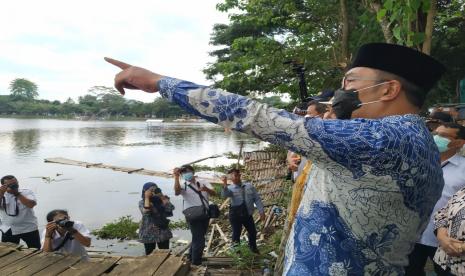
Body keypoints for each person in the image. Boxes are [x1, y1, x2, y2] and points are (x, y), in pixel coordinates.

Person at [105, 42, 446, 274]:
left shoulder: (380, 138)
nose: (341, 93)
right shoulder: (418, 139)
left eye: (351, 82)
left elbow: (256, 116)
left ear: (388, 90)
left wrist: (158, 82)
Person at [405, 122, 465, 275]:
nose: (436, 138)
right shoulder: (417, 162)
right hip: (411, 236)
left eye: (443, 136)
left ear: (459, 142)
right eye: (435, 133)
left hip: (445, 240)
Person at [173, 165, 216, 266]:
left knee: (198, 237)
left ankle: (191, 257)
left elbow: (214, 193)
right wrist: (176, 177)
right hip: (193, 216)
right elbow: (176, 192)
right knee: (199, 239)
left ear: (193, 171)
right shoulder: (183, 184)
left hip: (205, 214)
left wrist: (206, 189)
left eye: (187, 171)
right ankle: (196, 263)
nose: (186, 174)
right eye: (183, 173)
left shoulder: (203, 181)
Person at [221, 168, 265, 253]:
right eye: (231, 176)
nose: (234, 177)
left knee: (252, 232)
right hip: (235, 215)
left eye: (235, 175)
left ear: (239, 175)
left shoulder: (249, 186)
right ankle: (237, 253)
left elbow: (257, 199)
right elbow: (224, 195)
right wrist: (224, 184)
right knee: (236, 234)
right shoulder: (230, 188)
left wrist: (261, 211)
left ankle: (253, 248)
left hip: (247, 214)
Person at [0, 175, 40, 249]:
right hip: (9, 229)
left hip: (29, 227)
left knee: (35, 249)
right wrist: (1, 193)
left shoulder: (26, 192)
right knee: (8, 252)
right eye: (10, 185)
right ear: (4, 186)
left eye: (15, 183)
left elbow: (31, 204)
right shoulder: (2, 194)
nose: (14, 186)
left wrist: (17, 194)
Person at [433, 186, 465, 275]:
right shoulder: (463, 191)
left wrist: (461, 247)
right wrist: (441, 235)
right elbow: (442, 212)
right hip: (444, 262)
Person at [138, 182, 174, 255]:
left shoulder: (162, 200)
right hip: (148, 232)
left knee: (165, 253)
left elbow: (170, 208)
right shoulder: (142, 202)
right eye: (151, 190)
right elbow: (146, 212)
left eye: (155, 189)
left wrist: (162, 197)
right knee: (149, 254)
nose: (153, 192)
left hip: (162, 231)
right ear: (145, 191)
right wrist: (147, 197)